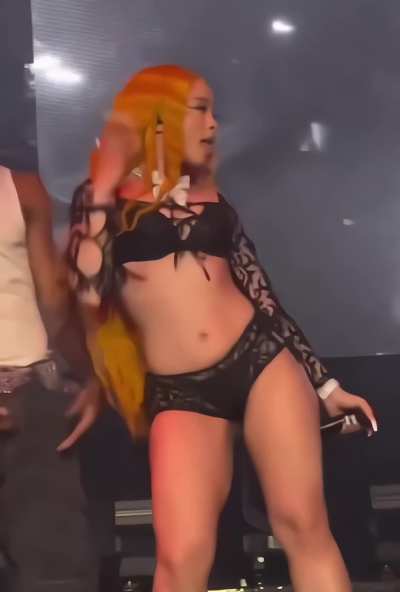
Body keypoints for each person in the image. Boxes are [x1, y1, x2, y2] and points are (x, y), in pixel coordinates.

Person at [68, 64, 378, 592]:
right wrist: (103, 183)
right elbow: (89, 293)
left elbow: (262, 296)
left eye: (214, 110)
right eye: (200, 109)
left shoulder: (210, 192)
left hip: (260, 361)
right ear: (160, 117)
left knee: (302, 525)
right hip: (180, 390)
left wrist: (325, 385)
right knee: (182, 555)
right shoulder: (102, 199)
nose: (213, 123)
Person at [0, 166, 101, 591]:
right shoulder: (19, 188)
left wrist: (91, 377)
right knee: (54, 572)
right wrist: (91, 376)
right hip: (27, 391)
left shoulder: (22, 188)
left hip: (30, 401)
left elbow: (57, 297)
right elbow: (55, 297)